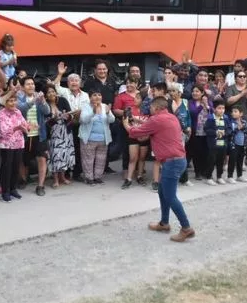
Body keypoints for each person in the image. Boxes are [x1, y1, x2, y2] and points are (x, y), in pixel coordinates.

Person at [123, 96, 195, 242]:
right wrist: (137, 120)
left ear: (156, 108)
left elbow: (136, 133)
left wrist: (126, 124)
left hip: (172, 162)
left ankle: (186, 228)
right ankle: (164, 223)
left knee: (170, 196)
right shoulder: (171, 117)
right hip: (177, 160)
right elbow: (151, 125)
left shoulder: (156, 120)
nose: (149, 109)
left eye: (150, 107)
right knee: (163, 192)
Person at [77, 90, 115, 185]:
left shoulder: (105, 106)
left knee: (101, 160)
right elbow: (83, 120)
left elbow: (112, 120)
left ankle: (98, 177)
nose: (97, 97)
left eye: (99, 95)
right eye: (94, 95)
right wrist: (93, 112)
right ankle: (89, 178)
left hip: (103, 139)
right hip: (89, 139)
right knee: (88, 160)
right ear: (90, 97)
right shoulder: (85, 106)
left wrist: (108, 113)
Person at [203, 100, 231, 185]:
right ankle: (209, 177)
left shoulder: (226, 118)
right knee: (211, 161)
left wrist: (225, 133)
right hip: (213, 145)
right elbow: (206, 129)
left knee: (220, 162)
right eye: (219, 108)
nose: (222, 110)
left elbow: (229, 129)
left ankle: (219, 177)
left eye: (223, 108)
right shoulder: (211, 118)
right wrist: (215, 132)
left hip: (223, 144)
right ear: (214, 109)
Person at [227, 107, 247, 183]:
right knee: (232, 160)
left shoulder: (245, 122)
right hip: (234, 144)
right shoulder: (231, 123)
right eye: (232, 111)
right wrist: (237, 129)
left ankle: (239, 176)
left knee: (240, 160)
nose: (233, 113)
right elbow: (229, 133)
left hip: (242, 144)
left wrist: (242, 127)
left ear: (241, 114)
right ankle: (230, 176)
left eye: (235, 111)